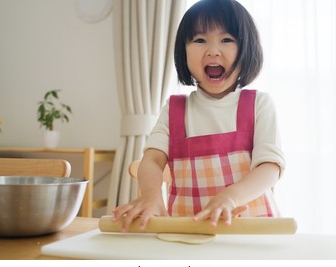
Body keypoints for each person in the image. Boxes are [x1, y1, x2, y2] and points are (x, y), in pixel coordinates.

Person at [112, 0, 286, 232]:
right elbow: (152, 160)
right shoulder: (174, 109)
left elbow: (270, 167)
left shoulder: (259, 104)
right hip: (188, 233)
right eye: (199, 40)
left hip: (250, 231)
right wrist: (151, 196)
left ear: (247, 49)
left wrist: (230, 198)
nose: (213, 50)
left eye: (226, 40)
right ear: (183, 52)